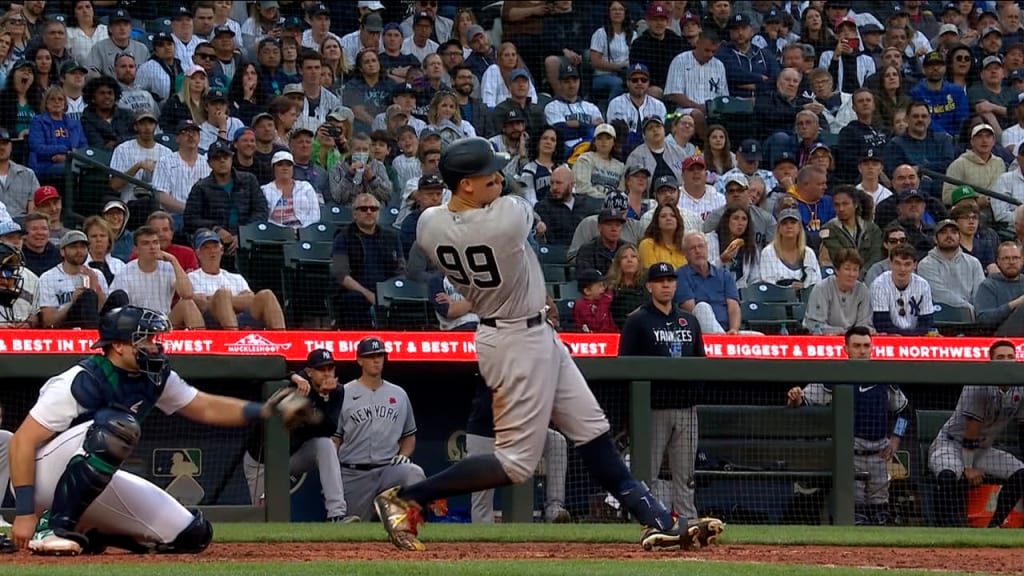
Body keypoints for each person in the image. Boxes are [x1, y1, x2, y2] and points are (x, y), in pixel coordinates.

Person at [383, 136, 723, 552]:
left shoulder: (429, 225)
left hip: (526, 333)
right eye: (487, 173)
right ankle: (406, 499)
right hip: (514, 339)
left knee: (592, 431)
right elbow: (514, 202)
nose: (498, 177)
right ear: (465, 184)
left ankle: (656, 519)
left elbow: (451, 210)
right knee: (516, 463)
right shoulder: (505, 218)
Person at [6, 305, 299, 554]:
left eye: (153, 339)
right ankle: (52, 527)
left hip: (92, 478)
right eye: (143, 340)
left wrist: (263, 411)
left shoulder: (153, 376)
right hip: (44, 477)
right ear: (118, 346)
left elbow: (205, 407)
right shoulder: (82, 380)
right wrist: (24, 512)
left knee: (193, 535)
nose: (154, 346)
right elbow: (21, 442)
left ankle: (94, 531)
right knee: (116, 426)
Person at [786, 326, 909, 525]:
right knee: (856, 514)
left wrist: (896, 438)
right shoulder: (834, 375)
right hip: (850, 456)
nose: (862, 351)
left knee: (881, 516)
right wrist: (795, 398)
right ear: (846, 349)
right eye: (857, 346)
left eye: (866, 346)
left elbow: (904, 411)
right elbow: (805, 402)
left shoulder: (883, 377)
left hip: (880, 455)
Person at [619, 261, 705, 521]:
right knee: (648, 473)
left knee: (685, 475)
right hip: (652, 410)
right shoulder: (638, 321)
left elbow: (701, 362)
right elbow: (624, 367)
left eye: (670, 280)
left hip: (686, 409)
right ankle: (646, 520)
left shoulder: (689, 321)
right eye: (660, 281)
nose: (666, 285)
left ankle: (688, 522)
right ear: (649, 286)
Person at [243, 348, 353, 522]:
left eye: (330, 368)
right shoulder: (295, 385)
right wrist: (292, 376)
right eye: (321, 369)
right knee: (264, 521)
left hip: (293, 456)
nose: (327, 374)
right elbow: (266, 373)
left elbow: (329, 429)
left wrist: (323, 398)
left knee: (325, 444)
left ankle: (336, 515)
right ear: (309, 371)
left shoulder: (336, 391)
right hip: (262, 461)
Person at [928, 340, 1024, 527]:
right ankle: (942, 529)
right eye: (1000, 358)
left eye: (1010, 357)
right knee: (948, 475)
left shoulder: (1020, 386)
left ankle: (994, 525)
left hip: (983, 449)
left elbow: (1023, 428)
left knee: (1021, 474)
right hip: (950, 444)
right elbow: (972, 427)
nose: (1006, 361)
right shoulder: (979, 382)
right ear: (990, 361)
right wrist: (968, 466)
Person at [337, 337, 425, 523]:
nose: (376, 360)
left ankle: (405, 523)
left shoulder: (399, 394)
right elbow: (335, 439)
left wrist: (405, 455)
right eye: (371, 356)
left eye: (380, 355)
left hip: (388, 470)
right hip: (354, 473)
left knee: (412, 472)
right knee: (354, 528)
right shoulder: (344, 393)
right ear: (359, 360)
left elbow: (409, 436)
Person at [187, 229, 285, 330]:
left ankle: (285, 340)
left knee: (267, 295)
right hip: (212, 322)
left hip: (242, 318)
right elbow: (201, 304)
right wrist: (231, 299)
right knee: (222, 294)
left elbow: (251, 299)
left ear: (221, 251)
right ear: (198, 253)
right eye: (206, 248)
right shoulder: (192, 277)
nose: (212, 251)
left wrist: (223, 300)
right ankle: (233, 338)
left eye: (215, 247)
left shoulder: (236, 278)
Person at [38, 230, 110, 329]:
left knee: (119, 296)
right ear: (62, 251)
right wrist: (73, 302)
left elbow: (105, 312)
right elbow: (48, 321)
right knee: (87, 295)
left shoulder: (96, 274)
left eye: (83, 247)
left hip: (95, 323)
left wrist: (95, 287)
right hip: (65, 326)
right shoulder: (48, 277)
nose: (79, 251)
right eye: (73, 247)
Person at [803, 248, 873, 334]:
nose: (852, 274)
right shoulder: (822, 288)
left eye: (855, 270)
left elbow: (864, 324)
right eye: (847, 269)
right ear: (837, 270)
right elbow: (815, 325)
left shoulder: (863, 291)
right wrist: (841, 332)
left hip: (853, 339)